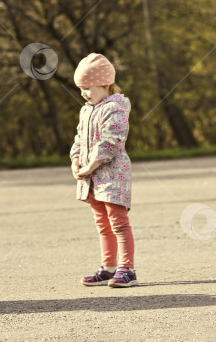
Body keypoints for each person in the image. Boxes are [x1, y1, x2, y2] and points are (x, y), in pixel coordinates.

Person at [69, 53, 137, 288]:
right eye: (80, 89)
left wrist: (91, 165)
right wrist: (76, 160)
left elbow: (111, 141)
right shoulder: (87, 110)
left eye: (87, 87)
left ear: (105, 83)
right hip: (92, 178)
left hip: (112, 176)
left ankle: (127, 268)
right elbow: (79, 138)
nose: (83, 93)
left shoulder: (115, 108)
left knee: (118, 222)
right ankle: (108, 267)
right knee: (102, 222)